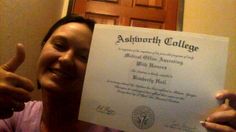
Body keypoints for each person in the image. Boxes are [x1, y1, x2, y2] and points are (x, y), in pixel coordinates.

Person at [0, 15, 235, 132]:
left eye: (85, 56)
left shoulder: (119, 126)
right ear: (42, 48)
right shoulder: (13, 116)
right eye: (60, 45)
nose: (67, 59)